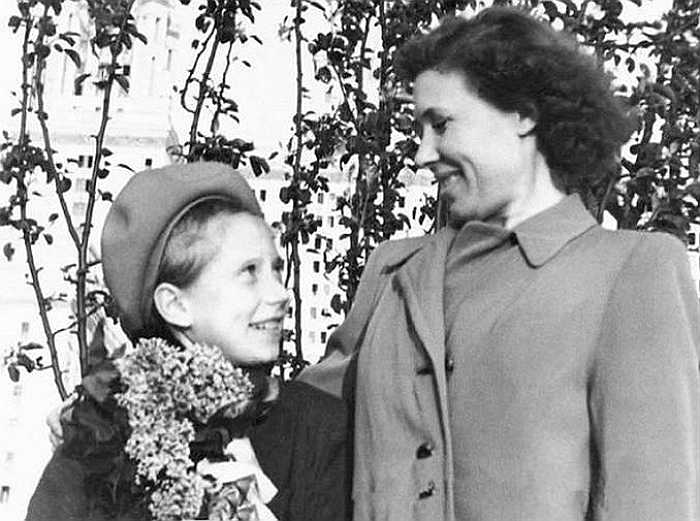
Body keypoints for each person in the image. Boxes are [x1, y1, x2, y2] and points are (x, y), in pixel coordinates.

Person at [302, 7, 700, 521]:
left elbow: (655, 502)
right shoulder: (391, 272)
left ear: (523, 114)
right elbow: (292, 430)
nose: (422, 154)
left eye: (440, 125)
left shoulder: (631, 271)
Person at [26, 162, 350, 521]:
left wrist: (261, 508)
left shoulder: (317, 426)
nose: (280, 294)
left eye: (276, 269)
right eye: (249, 272)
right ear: (176, 305)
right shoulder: (100, 434)